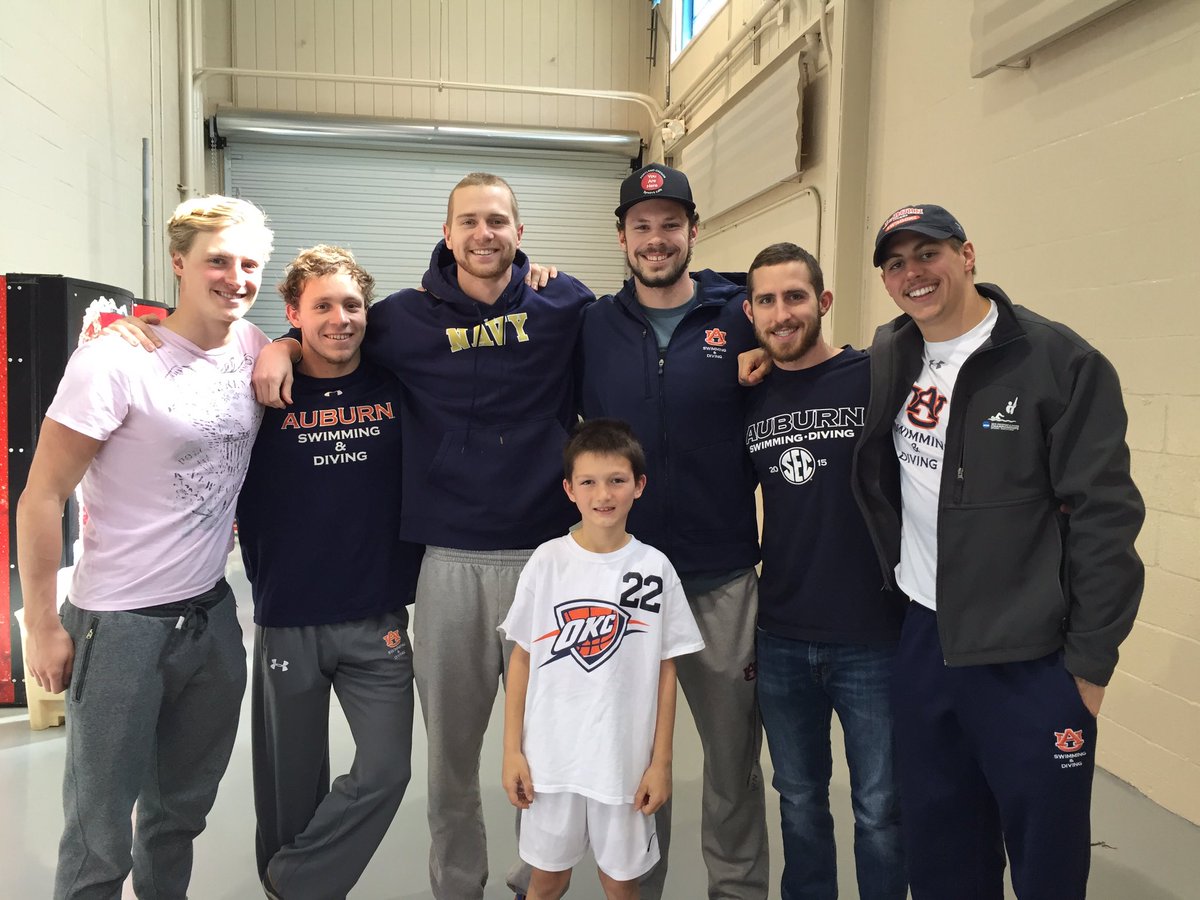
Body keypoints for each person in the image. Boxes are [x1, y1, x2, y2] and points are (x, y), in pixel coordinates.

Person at [251, 173, 594, 899]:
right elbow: (330, 334)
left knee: (548, 740)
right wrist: (278, 345)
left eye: (497, 220)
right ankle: (457, 884)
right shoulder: (401, 319)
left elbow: (643, 321)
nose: (483, 233)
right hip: (448, 562)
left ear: (520, 233)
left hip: (545, 558)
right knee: (451, 758)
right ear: (447, 233)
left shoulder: (565, 301)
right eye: (468, 220)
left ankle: (536, 875)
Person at [851, 204, 1144, 898]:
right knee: (942, 851)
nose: (913, 274)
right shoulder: (893, 351)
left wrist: (1089, 665)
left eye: (928, 254)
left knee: (1047, 861)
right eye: (896, 264)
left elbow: (1107, 519)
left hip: (1028, 653)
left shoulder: (1058, 361)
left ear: (967, 254)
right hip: (926, 639)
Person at [16, 195, 273, 899]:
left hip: (212, 619)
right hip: (120, 625)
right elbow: (41, 495)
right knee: (98, 834)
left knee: (177, 817)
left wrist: (282, 345)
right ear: (179, 263)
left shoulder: (254, 346)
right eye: (218, 261)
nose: (236, 278)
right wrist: (42, 624)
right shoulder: (113, 362)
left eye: (250, 264)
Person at [577, 163, 769, 898]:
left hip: (721, 576)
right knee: (633, 759)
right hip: (626, 581)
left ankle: (737, 889)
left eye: (670, 225)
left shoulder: (741, 316)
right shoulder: (593, 325)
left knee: (731, 758)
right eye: (641, 227)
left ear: (693, 230)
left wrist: (767, 346)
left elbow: (805, 356)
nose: (655, 240)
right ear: (621, 237)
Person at [235, 245, 424, 899]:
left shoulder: (395, 383)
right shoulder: (261, 391)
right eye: (322, 306)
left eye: (351, 305)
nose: (339, 319)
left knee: (387, 770)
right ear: (294, 312)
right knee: (289, 789)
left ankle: (291, 881)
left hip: (377, 617)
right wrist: (277, 349)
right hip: (290, 615)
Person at [741, 242, 906, 899]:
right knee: (799, 800)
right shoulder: (747, 394)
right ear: (750, 312)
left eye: (796, 296)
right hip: (781, 633)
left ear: (824, 301)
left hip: (874, 636)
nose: (782, 313)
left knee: (881, 808)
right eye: (766, 300)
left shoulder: (876, 377)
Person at [499, 418, 704, 900]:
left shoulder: (654, 568)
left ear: (639, 485)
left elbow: (666, 669)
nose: (603, 494)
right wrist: (511, 752)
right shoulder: (547, 561)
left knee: (621, 885)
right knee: (546, 881)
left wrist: (661, 762)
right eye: (588, 482)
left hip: (622, 765)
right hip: (551, 765)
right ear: (569, 490)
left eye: (616, 480)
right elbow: (521, 658)